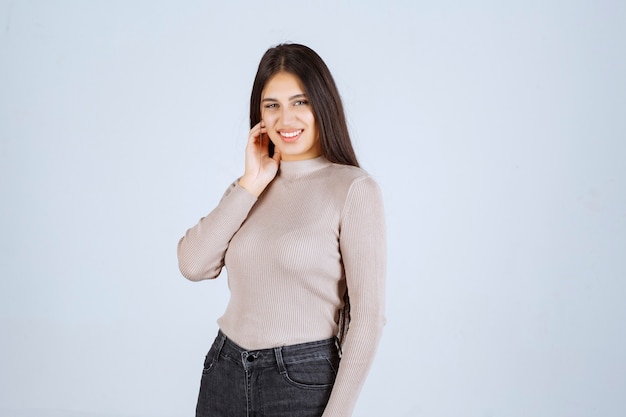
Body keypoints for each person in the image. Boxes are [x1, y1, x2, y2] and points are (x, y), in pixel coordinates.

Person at [177, 43, 386, 417]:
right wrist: (251, 183)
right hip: (224, 369)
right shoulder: (249, 188)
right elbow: (193, 265)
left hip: (301, 378)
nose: (285, 119)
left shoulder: (353, 189)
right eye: (271, 105)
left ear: (322, 105)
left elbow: (367, 319)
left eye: (299, 102)